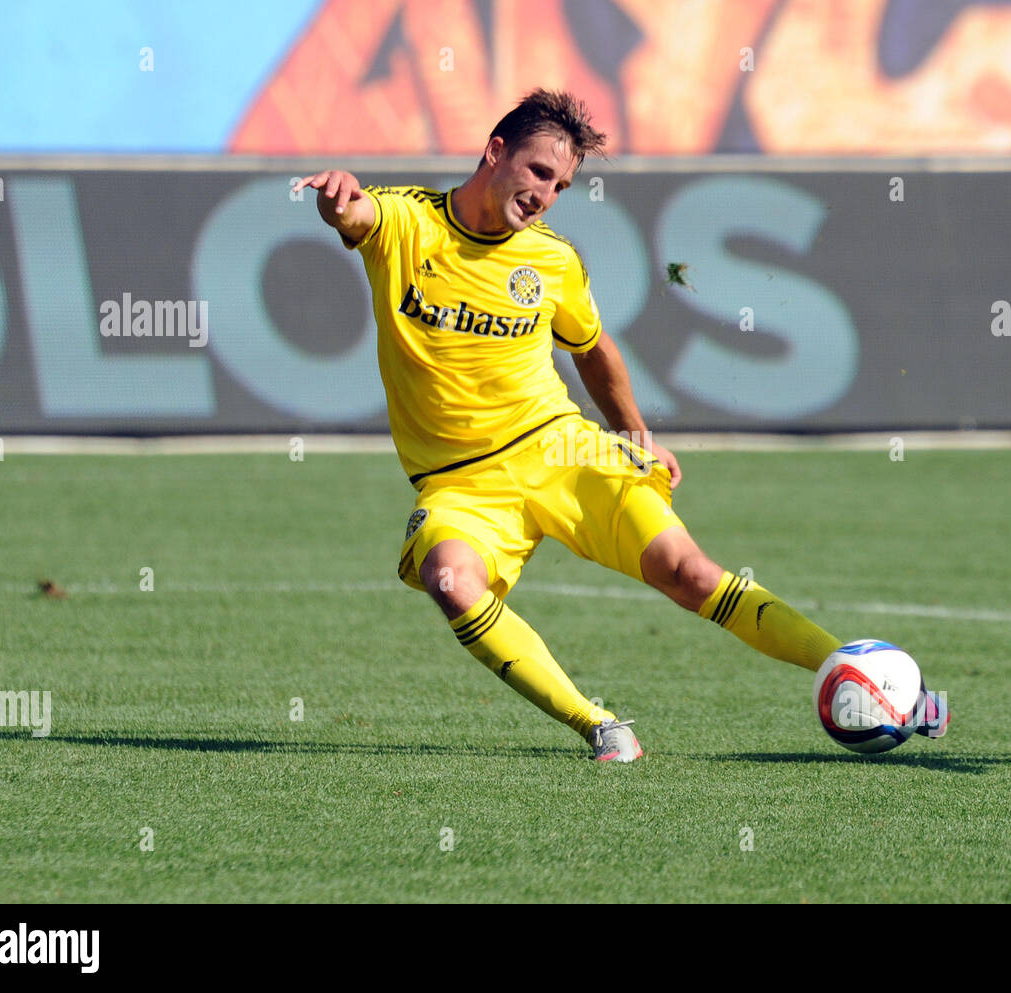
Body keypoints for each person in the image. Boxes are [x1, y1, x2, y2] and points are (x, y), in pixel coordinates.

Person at [294, 89, 947, 762]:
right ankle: (599, 725)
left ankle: (875, 681)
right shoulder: (408, 223)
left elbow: (595, 349)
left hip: (561, 448)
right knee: (452, 580)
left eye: (562, 185)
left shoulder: (552, 260)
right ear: (495, 152)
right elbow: (353, 213)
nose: (547, 194)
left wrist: (634, 432)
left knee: (688, 571)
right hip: (461, 483)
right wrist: (336, 199)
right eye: (539, 173)